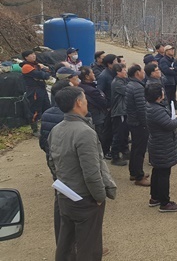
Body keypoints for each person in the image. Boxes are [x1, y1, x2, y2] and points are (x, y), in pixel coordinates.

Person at [48, 86, 117, 260]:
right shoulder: (85, 132)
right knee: (89, 245)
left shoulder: (56, 129)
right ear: (78, 102)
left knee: (66, 241)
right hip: (84, 198)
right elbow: (91, 173)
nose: (87, 103)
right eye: (85, 99)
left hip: (65, 194)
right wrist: (100, 196)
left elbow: (52, 162)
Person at [39, 80, 71, 244]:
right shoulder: (73, 117)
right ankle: (76, 245)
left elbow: (43, 143)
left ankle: (62, 242)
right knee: (75, 206)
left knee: (59, 200)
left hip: (54, 164)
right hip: (70, 167)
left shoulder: (47, 114)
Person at [145, 83, 177, 212]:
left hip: (158, 144)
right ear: (158, 96)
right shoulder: (156, 109)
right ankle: (164, 202)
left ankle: (155, 197)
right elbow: (169, 124)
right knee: (164, 174)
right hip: (162, 145)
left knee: (158, 171)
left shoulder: (152, 106)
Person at [125, 64, 150, 186]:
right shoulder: (137, 87)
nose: (143, 73)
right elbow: (141, 108)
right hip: (139, 123)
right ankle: (139, 177)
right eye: (141, 71)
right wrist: (146, 124)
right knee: (139, 150)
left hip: (133, 121)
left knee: (135, 148)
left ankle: (134, 172)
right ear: (136, 73)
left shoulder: (131, 84)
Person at [20, 49, 52, 136]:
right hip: (34, 90)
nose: (33, 56)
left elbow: (48, 73)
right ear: (26, 57)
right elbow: (42, 75)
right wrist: (43, 71)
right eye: (31, 55)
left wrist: (44, 71)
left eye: (34, 54)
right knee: (35, 109)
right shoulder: (26, 67)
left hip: (42, 88)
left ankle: (47, 127)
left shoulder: (37, 65)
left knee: (47, 107)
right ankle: (35, 129)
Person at [79, 67, 110, 148]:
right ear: (87, 76)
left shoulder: (81, 87)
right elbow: (104, 103)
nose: (94, 74)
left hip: (89, 117)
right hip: (97, 117)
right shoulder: (92, 91)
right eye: (92, 73)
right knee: (100, 138)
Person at [96, 54, 118, 159]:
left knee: (113, 130)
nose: (117, 63)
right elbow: (100, 92)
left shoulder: (113, 73)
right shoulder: (104, 76)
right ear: (109, 64)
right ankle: (105, 151)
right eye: (115, 61)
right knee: (107, 130)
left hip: (115, 106)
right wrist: (106, 106)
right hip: (108, 107)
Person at [110, 63, 128, 166]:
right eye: (124, 70)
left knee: (124, 133)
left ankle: (124, 151)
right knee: (118, 134)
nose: (126, 72)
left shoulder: (123, 80)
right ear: (118, 72)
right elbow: (128, 91)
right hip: (119, 111)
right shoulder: (117, 83)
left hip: (123, 110)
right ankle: (115, 156)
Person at [158, 45, 177, 110]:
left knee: (173, 96)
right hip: (167, 82)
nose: (172, 51)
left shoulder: (174, 60)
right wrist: (174, 71)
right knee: (167, 96)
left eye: (173, 49)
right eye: (170, 49)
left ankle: (173, 107)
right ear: (166, 51)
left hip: (174, 81)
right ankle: (168, 109)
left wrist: (173, 68)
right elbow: (166, 70)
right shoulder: (163, 60)